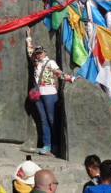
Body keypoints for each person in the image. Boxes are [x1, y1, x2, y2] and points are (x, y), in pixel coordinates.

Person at [26, 27, 79, 155]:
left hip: (50, 94)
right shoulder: (36, 63)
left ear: (45, 53)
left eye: (40, 53)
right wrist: (29, 37)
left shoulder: (50, 63)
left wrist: (71, 78)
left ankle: (56, 145)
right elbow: (29, 52)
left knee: (52, 119)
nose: (38, 54)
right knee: (43, 120)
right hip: (38, 95)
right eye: (37, 53)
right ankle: (47, 144)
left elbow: (59, 73)